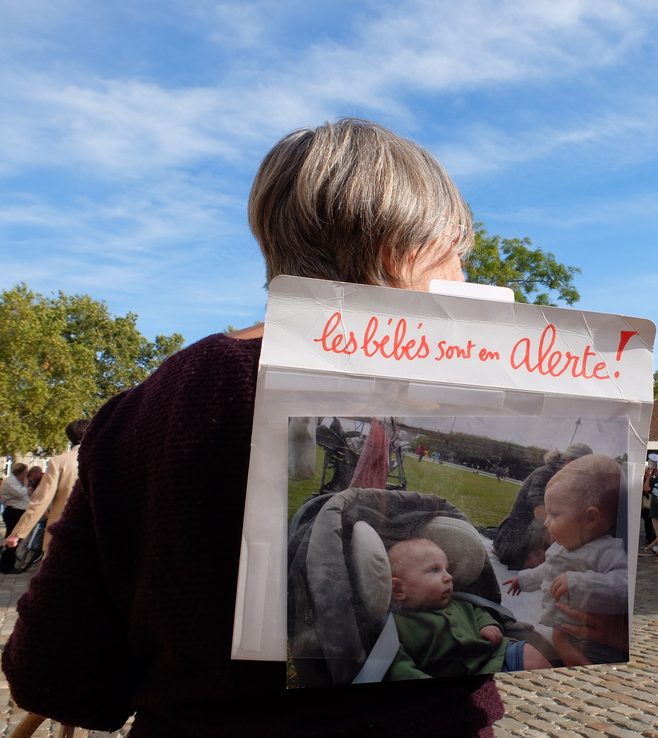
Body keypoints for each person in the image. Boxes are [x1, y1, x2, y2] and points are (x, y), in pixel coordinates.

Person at [1, 120, 506, 737]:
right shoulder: (447, 379)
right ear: (399, 248)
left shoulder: (150, 405)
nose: (462, 275)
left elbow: (53, 673)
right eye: (456, 254)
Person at [504, 454, 628, 667]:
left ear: (590, 518)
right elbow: (546, 571)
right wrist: (523, 580)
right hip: (566, 629)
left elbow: (624, 585)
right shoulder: (562, 547)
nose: (546, 522)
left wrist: (583, 584)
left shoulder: (606, 551)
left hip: (593, 640)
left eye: (554, 514)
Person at [386, 538, 549, 680]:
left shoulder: (460, 603)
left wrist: (488, 625)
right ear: (399, 589)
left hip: (494, 656)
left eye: (447, 569)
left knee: (527, 652)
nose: (448, 577)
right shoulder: (397, 626)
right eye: (434, 570)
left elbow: (479, 613)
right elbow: (399, 666)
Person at [492, 443, 592, 570]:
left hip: (529, 537)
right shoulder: (544, 474)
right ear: (568, 461)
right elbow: (539, 511)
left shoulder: (564, 478)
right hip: (517, 539)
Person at [5, 420, 90, 552]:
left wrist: (17, 533)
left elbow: (41, 499)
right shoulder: (109, 460)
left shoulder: (60, 462)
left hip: (65, 534)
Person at [1, 464, 31, 538]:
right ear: (22, 473)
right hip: (14, 511)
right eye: (26, 473)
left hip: (19, 510)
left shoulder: (18, 481)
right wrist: (25, 485)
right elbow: (20, 494)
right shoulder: (10, 481)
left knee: (16, 536)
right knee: (12, 536)